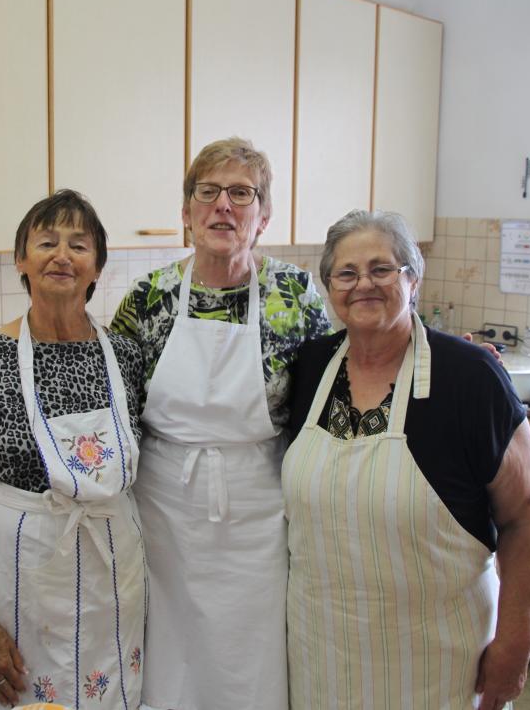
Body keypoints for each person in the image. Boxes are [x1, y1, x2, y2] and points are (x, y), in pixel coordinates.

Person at [284, 209, 530, 710]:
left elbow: (524, 518)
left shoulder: (471, 378)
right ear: (329, 287)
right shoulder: (309, 368)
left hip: (437, 662)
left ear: (413, 278)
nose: (364, 284)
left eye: (382, 269)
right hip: (320, 651)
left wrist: (516, 643)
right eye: (347, 272)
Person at [108, 137, 332, 710]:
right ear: (185, 214)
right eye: (207, 192)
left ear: (264, 216)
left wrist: (447, 359)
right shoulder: (149, 298)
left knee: (249, 659)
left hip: (259, 509)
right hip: (165, 509)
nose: (223, 206)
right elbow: (103, 395)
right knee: (168, 655)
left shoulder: (297, 296)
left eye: (241, 193)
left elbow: (346, 381)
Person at [0, 189, 147, 710]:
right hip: (18, 588)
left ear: (97, 266)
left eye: (79, 244)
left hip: (111, 581)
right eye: (47, 241)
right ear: (21, 262)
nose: (62, 255)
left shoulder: (126, 356)